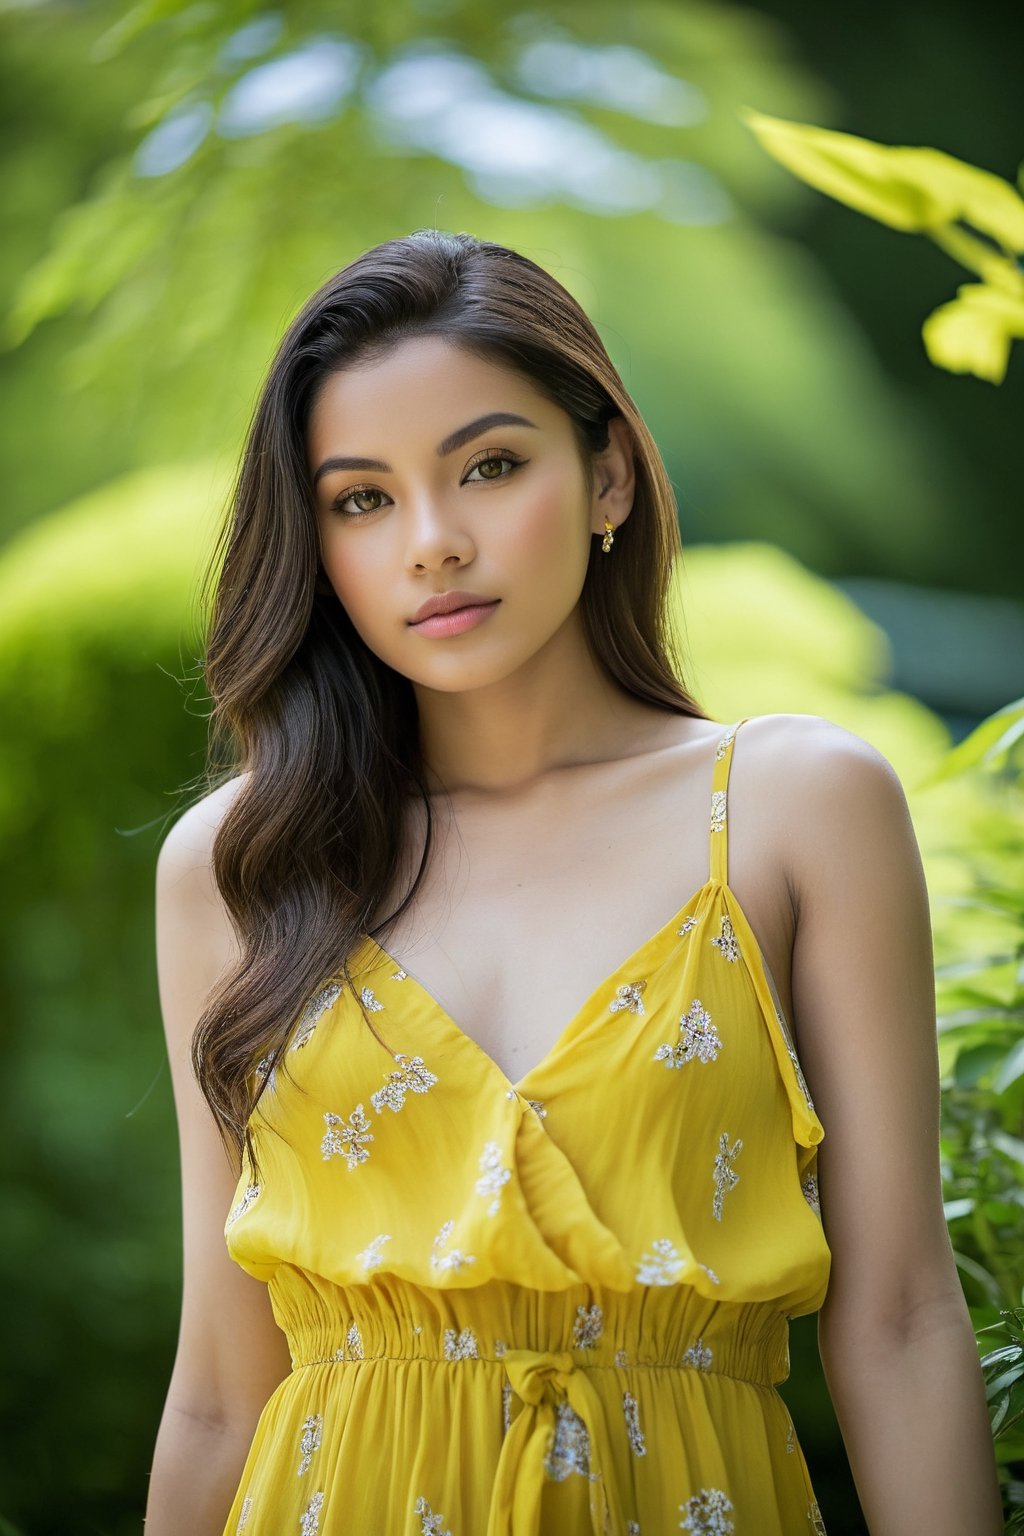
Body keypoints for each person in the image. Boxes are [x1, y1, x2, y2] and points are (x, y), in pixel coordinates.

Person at [144, 231, 1002, 1536]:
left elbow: (896, 1320)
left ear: (607, 476)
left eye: (489, 467)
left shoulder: (792, 809)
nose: (432, 542)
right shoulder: (240, 864)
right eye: (361, 499)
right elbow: (218, 1386)